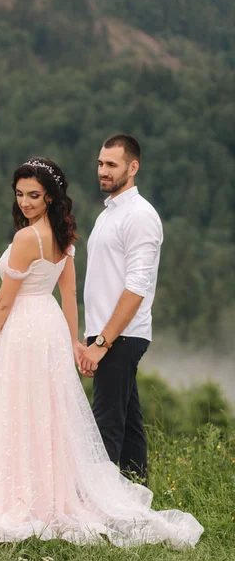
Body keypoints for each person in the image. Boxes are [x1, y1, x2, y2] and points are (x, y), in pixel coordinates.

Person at [0, 157, 203, 549]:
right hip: (48, 327)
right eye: (19, 194)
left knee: (13, 410)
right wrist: (71, 340)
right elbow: (67, 293)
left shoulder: (26, 238)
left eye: (33, 195)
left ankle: (11, 500)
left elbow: (4, 302)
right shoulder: (64, 234)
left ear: (50, 196)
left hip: (23, 329)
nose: (25, 202)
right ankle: (45, 498)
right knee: (46, 412)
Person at [80, 134, 163, 484]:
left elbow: (137, 287)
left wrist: (102, 343)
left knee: (105, 427)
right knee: (127, 426)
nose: (103, 170)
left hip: (120, 336)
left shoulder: (141, 216)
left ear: (133, 167)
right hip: (107, 333)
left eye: (111, 164)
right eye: (101, 163)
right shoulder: (109, 214)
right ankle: (135, 500)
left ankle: (98, 512)